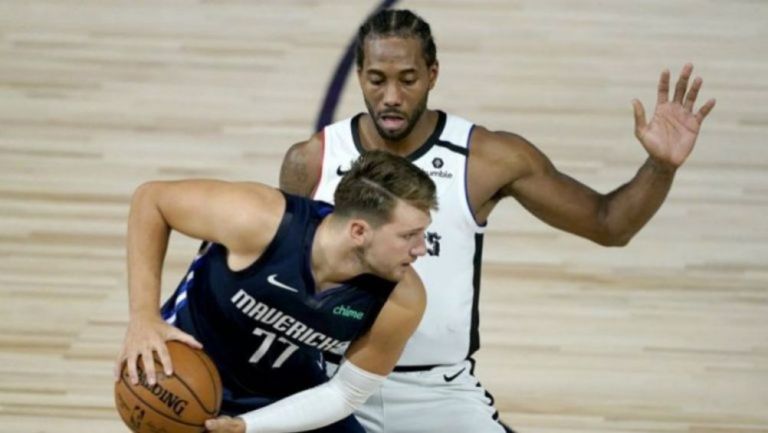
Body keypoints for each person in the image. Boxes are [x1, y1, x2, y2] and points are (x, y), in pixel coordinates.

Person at [279, 8, 716, 433]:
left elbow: (609, 224)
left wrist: (661, 166)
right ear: (359, 77)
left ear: (433, 74)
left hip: (437, 392)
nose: (391, 96)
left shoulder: (488, 158)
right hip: (327, 380)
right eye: (377, 80)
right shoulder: (312, 160)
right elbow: (269, 268)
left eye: (407, 79)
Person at [115, 150, 438, 433]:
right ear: (359, 232)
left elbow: (345, 394)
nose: (421, 249)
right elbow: (151, 201)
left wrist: (248, 426)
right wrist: (143, 317)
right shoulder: (258, 220)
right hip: (187, 376)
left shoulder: (402, 300)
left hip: (288, 394)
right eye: (409, 235)